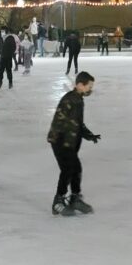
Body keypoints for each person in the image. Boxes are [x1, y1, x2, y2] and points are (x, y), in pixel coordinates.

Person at [47, 71, 99, 216]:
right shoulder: (70, 100)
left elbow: (78, 124)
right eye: (89, 86)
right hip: (61, 141)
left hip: (69, 141)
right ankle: (58, 201)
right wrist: (65, 143)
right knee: (68, 169)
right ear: (80, 85)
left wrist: (89, 135)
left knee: (76, 169)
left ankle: (75, 198)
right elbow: (60, 123)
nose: (90, 89)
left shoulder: (78, 99)